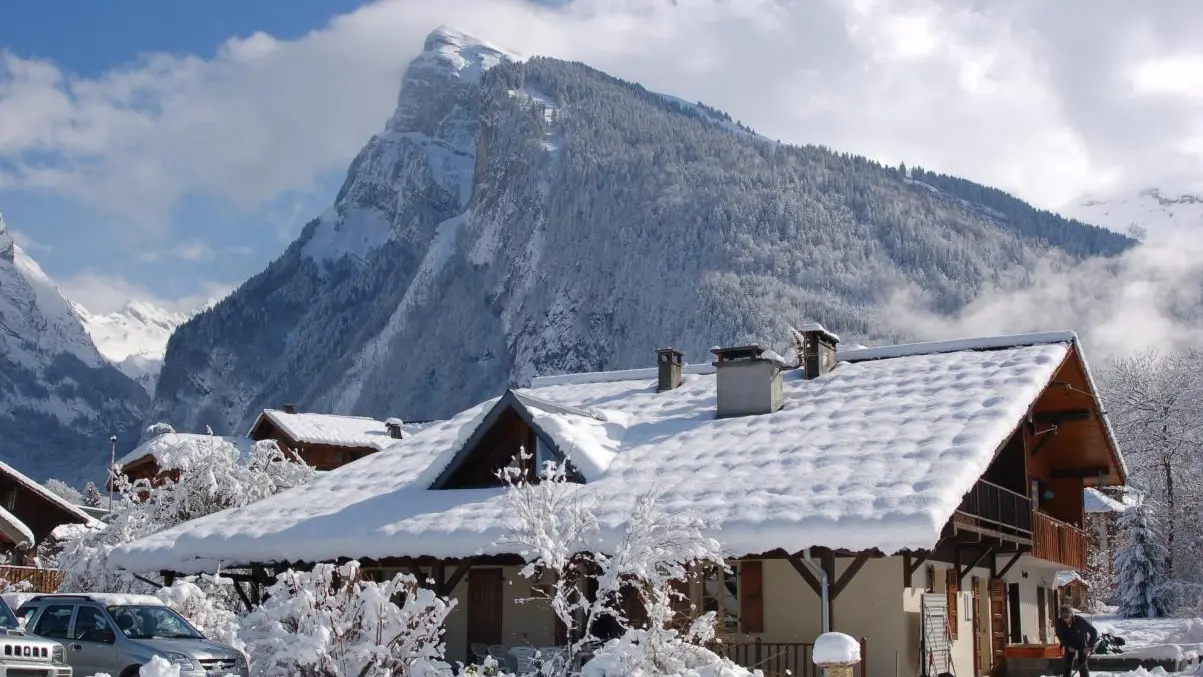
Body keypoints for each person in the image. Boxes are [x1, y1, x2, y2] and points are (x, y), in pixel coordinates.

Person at [1055, 605, 1099, 677]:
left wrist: (1090, 646)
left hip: (1081, 644)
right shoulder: (1060, 623)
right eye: (1063, 618)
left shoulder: (1080, 621)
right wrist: (1067, 646)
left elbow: (1094, 632)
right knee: (1067, 665)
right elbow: (1060, 635)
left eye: (1067, 617)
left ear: (1071, 615)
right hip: (1069, 644)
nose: (1066, 620)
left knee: (1082, 666)